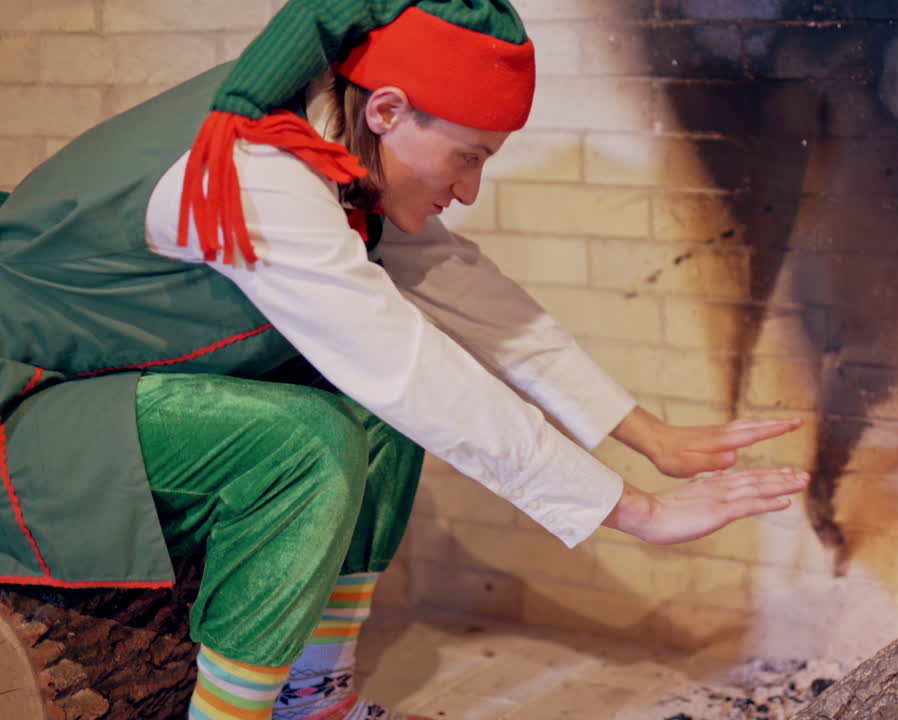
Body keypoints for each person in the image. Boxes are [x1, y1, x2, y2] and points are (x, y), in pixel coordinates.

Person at [0, 1, 808, 718]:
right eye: (469, 157)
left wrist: (647, 435)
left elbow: (463, 290)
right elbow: (411, 368)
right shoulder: (263, 173)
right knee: (307, 442)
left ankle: (310, 700)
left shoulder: (334, 130)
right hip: (22, 411)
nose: (468, 191)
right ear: (388, 109)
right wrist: (637, 512)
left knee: (370, 418)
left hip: (99, 399)